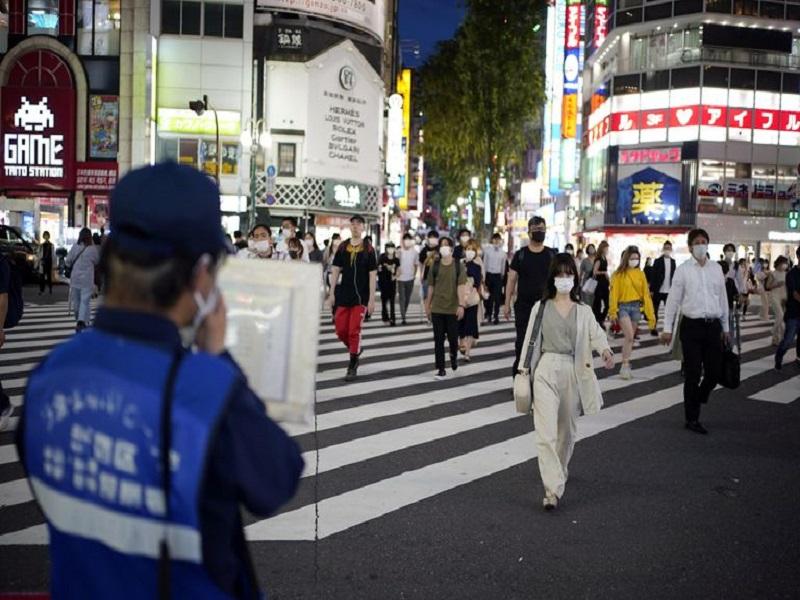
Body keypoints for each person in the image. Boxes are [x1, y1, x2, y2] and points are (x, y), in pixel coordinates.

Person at [15, 162, 303, 598]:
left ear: (109, 256)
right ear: (202, 274)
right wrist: (217, 354)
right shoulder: (205, 390)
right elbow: (278, 480)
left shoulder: (49, 375)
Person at [522, 254, 614, 510]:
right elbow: (529, 343)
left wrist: (605, 351)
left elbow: (596, 334)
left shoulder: (583, 310)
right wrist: (523, 372)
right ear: (552, 278)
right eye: (559, 274)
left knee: (567, 432)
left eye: (568, 274)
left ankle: (559, 469)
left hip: (573, 370)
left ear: (575, 277)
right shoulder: (540, 308)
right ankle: (552, 490)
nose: (564, 279)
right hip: (546, 369)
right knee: (545, 433)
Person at [662, 229, 730, 434]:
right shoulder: (683, 270)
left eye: (704, 242)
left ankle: (700, 396)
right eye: (697, 242)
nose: (701, 245)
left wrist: (725, 328)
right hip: (691, 327)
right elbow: (673, 300)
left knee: (714, 371)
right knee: (692, 373)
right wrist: (667, 329)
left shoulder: (716, 269)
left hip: (713, 326)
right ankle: (692, 418)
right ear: (690, 246)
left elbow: (723, 299)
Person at [327, 215, 377, 381]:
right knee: (341, 330)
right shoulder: (343, 246)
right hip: (343, 295)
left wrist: (371, 299)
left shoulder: (369, 249)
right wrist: (331, 292)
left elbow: (372, 275)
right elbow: (335, 270)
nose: (355, 227)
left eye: (358, 224)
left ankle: (352, 364)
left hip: (361, 297)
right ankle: (355, 350)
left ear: (363, 227)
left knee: (354, 329)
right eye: (353, 224)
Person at [503, 217, 556, 374]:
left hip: (547, 306)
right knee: (522, 343)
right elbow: (511, 280)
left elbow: (559, 279)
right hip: (524, 307)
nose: (539, 233)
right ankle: (520, 377)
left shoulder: (551, 255)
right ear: (529, 232)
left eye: (542, 230)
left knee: (546, 344)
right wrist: (506, 304)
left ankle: (540, 377)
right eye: (536, 230)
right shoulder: (521, 255)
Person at [608, 246, 657, 380]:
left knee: (630, 339)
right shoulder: (617, 274)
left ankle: (626, 364)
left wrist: (651, 316)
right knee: (629, 336)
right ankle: (624, 366)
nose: (634, 260)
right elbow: (613, 294)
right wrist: (612, 312)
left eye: (637, 258)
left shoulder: (641, 274)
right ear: (626, 259)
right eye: (632, 258)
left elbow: (646, 295)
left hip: (636, 308)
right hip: (622, 307)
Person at [425, 237, 468, 379]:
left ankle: (453, 355)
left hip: (452, 309)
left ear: (451, 248)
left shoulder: (458, 266)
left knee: (453, 339)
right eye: (441, 245)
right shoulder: (435, 266)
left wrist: (461, 305)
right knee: (438, 340)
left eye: (446, 245)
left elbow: (461, 287)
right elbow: (430, 287)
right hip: (437, 308)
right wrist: (427, 305)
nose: (443, 247)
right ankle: (441, 368)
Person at [65, 227, 101, 331]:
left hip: (75, 279)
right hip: (87, 280)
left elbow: (68, 261)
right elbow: (97, 262)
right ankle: (81, 321)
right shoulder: (92, 249)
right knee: (84, 301)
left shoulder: (75, 247)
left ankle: (80, 321)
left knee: (77, 303)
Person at [775, 246, 800, 370]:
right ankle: (779, 356)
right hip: (793, 313)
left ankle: (799, 358)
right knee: (788, 340)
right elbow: (794, 294)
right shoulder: (791, 274)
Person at [459, 240, 484, 361]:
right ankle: (461, 343)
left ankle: (467, 352)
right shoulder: (459, 264)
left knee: (470, 325)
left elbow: (478, 283)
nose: (470, 252)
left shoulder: (477, 266)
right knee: (460, 324)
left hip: (472, 299)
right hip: (460, 300)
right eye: (468, 249)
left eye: (472, 250)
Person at [648, 241, 676, 335]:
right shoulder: (657, 261)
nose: (667, 249)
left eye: (669, 248)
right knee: (655, 310)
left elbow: (674, 276)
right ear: (663, 249)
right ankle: (653, 328)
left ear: (671, 249)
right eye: (666, 248)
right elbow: (653, 276)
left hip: (669, 291)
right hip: (658, 290)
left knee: (668, 311)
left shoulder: (673, 262)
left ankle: (668, 329)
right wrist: (651, 290)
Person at [483, 233, 506, 325]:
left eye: (498, 239)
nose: (496, 241)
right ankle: (488, 313)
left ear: (500, 241)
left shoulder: (503, 253)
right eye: (495, 239)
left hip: (498, 276)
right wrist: (483, 278)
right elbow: (485, 264)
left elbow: (503, 266)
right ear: (492, 240)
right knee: (488, 297)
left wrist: (502, 277)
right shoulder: (487, 251)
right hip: (489, 275)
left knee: (497, 297)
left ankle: (496, 316)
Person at [766, 256, 789, 346]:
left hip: (783, 296)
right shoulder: (773, 273)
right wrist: (776, 284)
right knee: (780, 315)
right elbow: (767, 286)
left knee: (780, 319)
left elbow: (787, 287)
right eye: (783, 263)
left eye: (786, 263)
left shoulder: (787, 274)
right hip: (774, 296)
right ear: (778, 263)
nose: (784, 265)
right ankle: (773, 330)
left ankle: (775, 340)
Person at [397, 233, 418, 325]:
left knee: (407, 298)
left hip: (410, 278)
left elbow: (416, 264)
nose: (407, 241)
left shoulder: (415, 252)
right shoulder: (399, 252)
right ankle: (403, 317)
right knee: (402, 298)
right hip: (400, 278)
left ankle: (404, 313)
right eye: (405, 239)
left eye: (409, 239)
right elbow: (396, 264)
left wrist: (414, 275)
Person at [419, 230, 440, 320]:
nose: (433, 239)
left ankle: (434, 314)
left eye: (434, 237)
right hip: (427, 276)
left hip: (438, 276)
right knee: (426, 296)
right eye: (431, 237)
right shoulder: (424, 250)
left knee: (436, 296)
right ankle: (428, 314)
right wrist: (420, 274)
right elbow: (421, 263)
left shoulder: (440, 249)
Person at [378, 242, 400, 326]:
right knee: (384, 301)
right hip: (383, 282)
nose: (391, 249)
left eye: (392, 247)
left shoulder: (396, 259)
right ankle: (385, 316)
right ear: (386, 248)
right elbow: (379, 268)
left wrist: (395, 276)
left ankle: (392, 318)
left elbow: (399, 270)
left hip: (392, 282)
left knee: (392, 301)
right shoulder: (382, 257)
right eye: (389, 247)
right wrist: (384, 268)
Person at [591, 241, 611, 327]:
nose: (607, 250)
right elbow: (594, 272)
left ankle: (600, 319)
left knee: (608, 304)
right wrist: (604, 273)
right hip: (599, 284)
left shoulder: (604, 258)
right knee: (597, 304)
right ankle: (598, 321)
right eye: (606, 248)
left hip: (605, 284)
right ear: (602, 248)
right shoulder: (599, 259)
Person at [39, 230, 55, 295]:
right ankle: (42, 290)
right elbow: (39, 254)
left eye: (47, 235)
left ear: (49, 236)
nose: (46, 236)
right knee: (42, 277)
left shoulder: (51, 245)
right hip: (43, 262)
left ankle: (50, 289)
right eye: (45, 235)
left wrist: (54, 264)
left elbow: (53, 255)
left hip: (49, 262)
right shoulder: (41, 245)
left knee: (49, 277)